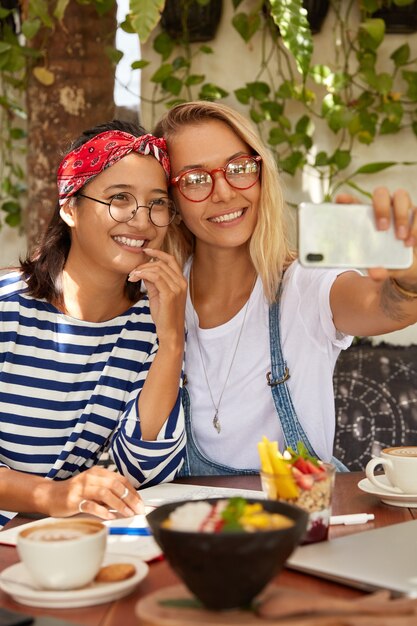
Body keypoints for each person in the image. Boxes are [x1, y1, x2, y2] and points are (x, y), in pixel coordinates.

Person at [153, 100, 417, 476]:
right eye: (195, 179)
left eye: (239, 168)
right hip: (203, 528)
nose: (224, 192)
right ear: (172, 201)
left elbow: (385, 306)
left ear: (261, 175)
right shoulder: (162, 300)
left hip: (307, 527)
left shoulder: (304, 286)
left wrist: (408, 280)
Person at [0, 120, 187, 528]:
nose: (142, 221)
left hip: (92, 543)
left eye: (157, 203)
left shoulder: (154, 322)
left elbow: (142, 472)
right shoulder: (6, 307)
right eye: (120, 198)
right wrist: (56, 496)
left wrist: (171, 343)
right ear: (69, 206)